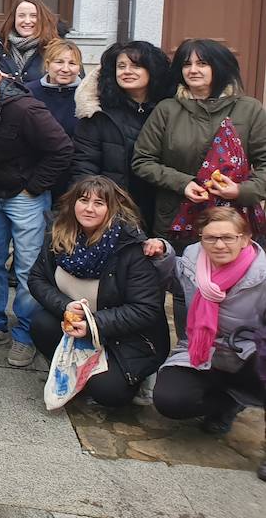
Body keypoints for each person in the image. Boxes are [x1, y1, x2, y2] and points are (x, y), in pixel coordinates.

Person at [0, 49, 73, 367]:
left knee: (26, 269)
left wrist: (33, 186)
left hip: (25, 197)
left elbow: (62, 149)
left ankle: (24, 334)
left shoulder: (25, 109)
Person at [28, 176, 170, 407]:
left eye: (99, 203)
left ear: (111, 208)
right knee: (41, 324)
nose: (89, 209)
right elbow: (37, 278)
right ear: (73, 202)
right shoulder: (59, 232)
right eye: (83, 200)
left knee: (107, 393)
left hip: (125, 338)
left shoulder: (131, 247)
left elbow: (145, 309)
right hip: (78, 324)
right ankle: (81, 367)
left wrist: (94, 323)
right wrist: (64, 305)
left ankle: (136, 378)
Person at [132, 38, 266, 243]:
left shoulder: (249, 109)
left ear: (220, 67)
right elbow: (142, 161)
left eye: (202, 63)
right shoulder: (167, 109)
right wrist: (184, 183)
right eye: (187, 64)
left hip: (232, 224)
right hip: (175, 218)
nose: (193, 70)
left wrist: (240, 191)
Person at [148, 207, 265, 436]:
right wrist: (162, 253)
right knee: (169, 400)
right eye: (211, 238)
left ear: (245, 239)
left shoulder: (261, 274)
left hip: (246, 354)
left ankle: (243, 395)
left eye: (228, 237)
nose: (219, 245)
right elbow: (170, 279)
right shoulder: (194, 260)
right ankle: (227, 402)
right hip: (199, 349)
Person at [71, 40, 173, 233]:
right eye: (121, 66)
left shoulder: (170, 109)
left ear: (153, 70)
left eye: (136, 66)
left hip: (161, 206)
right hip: (114, 208)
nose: (127, 71)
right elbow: (84, 164)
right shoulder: (98, 112)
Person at [0, 0, 61, 83]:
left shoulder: (57, 49)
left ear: (42, 19)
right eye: (21, 16)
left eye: (33, 16)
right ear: (13, 19)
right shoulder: (0, 47)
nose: (27, 21)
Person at [24, 38, 84, 138]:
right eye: (59, 62)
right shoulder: (29, 92)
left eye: (72, 63)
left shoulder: (87, 94)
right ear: (47, 65)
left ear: (79, 69)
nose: (65, 69)